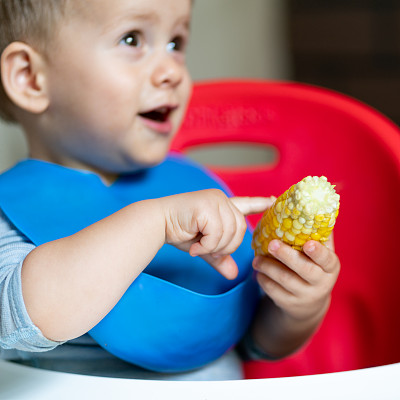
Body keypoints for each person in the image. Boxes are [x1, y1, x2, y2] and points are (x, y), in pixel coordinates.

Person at [0, 0, 340, 380]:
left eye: (176, 44)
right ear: (31, 77)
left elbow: (251, 340)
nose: (171, 72)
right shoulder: (7, 213)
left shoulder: (197, 191)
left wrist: (297, 307)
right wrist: (152, 223)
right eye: (132, 39)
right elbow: (27, 316)